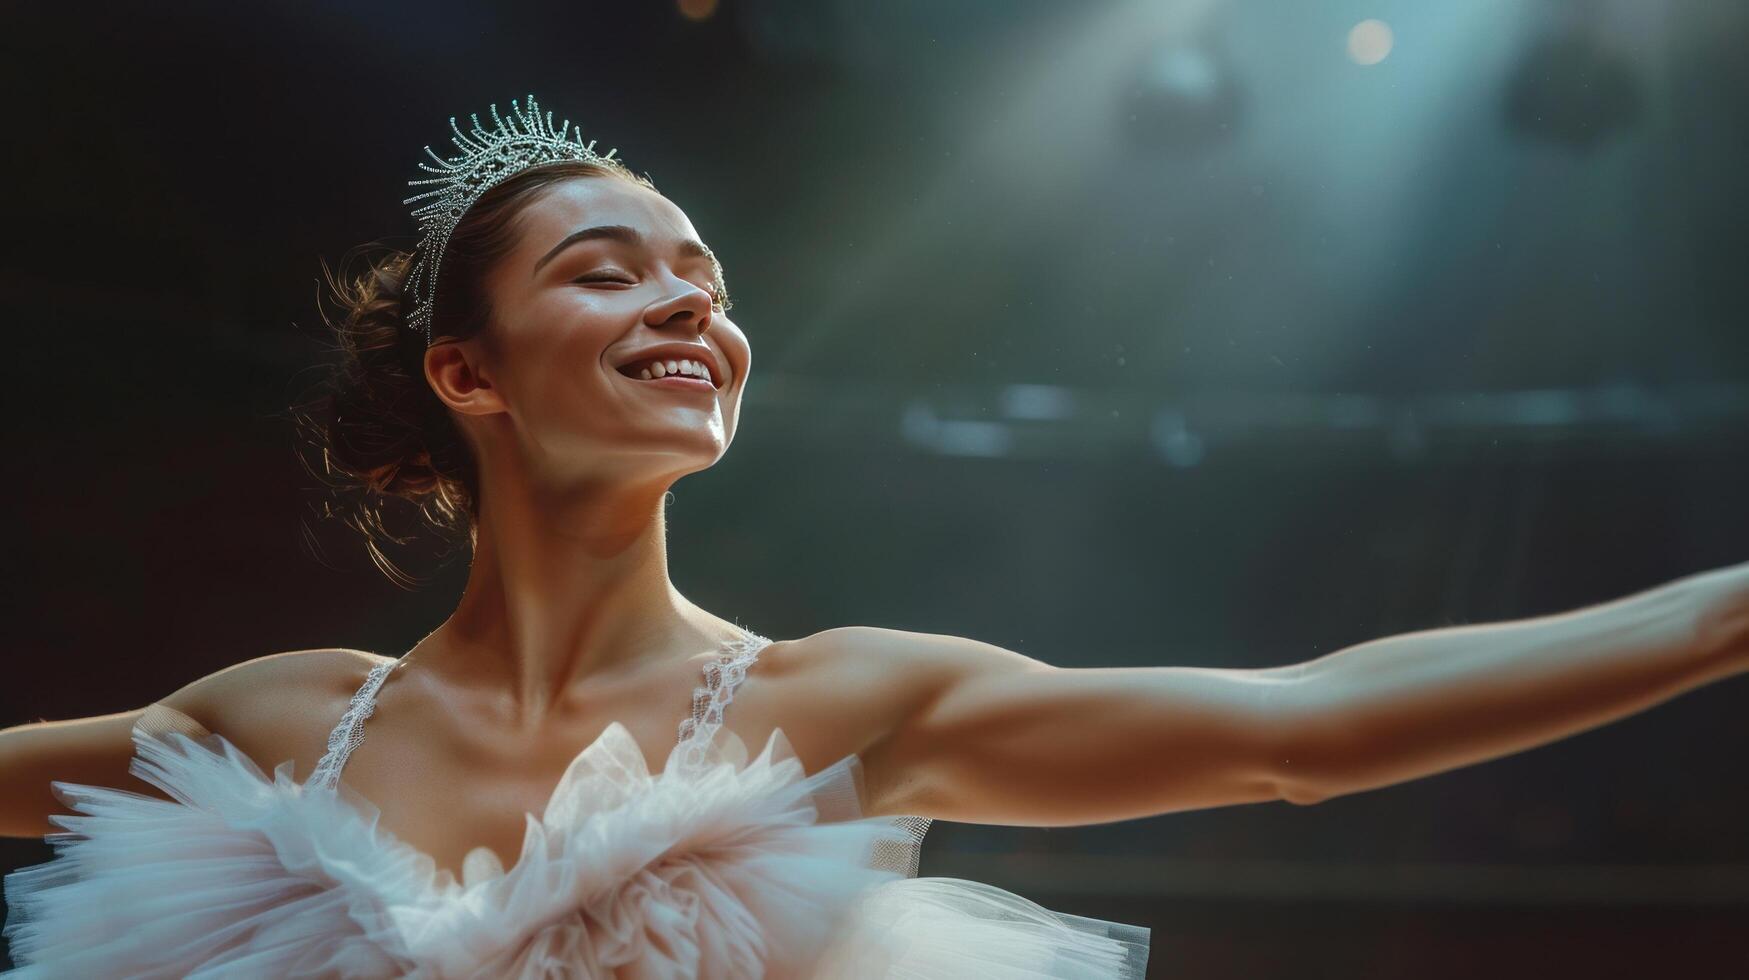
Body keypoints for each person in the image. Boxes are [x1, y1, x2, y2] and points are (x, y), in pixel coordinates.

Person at [1, 95, 1744, 978]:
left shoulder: (842, 709)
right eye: (610, 271)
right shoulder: (277, 729)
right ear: (468, 372)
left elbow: (1302, 730)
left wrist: (1718, 615)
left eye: (707, 279)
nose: (689, 304)